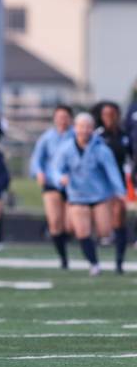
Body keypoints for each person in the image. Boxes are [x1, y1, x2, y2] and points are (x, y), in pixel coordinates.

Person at [51, 112, 125, 276]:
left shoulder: (101, 149)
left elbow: (112, 172)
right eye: (81, 127)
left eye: (88, 127)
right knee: (82, 232)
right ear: (75, 128)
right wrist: (59, 179)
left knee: (104, 231)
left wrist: (120, 192)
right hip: (77, 196)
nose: (84, 130)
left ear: (92, 129)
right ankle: (94, 264)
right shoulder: (66, 148)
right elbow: (55, 168)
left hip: (99, 196)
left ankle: (108, 243)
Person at [29, 105, 75, 269]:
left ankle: (68, 239)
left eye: (65, 117)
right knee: (55, 222)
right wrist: (39, 173)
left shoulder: (76, 136)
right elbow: (36, 160)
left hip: (73, 185)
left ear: (70, 119)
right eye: (59, 117)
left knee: (70, 225)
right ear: (55, 119)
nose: (62, 120)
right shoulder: (47, 138)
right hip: (51, 184)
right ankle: (63, 258)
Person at [96, 102, 130, 273]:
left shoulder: (125, 135)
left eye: (112, 114)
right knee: (103, 225)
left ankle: (119, 261)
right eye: (105, 115)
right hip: (100, 184)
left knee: (119, 218)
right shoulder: (98, 136)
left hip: (119, 183)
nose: (109, 118)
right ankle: (94, 260)